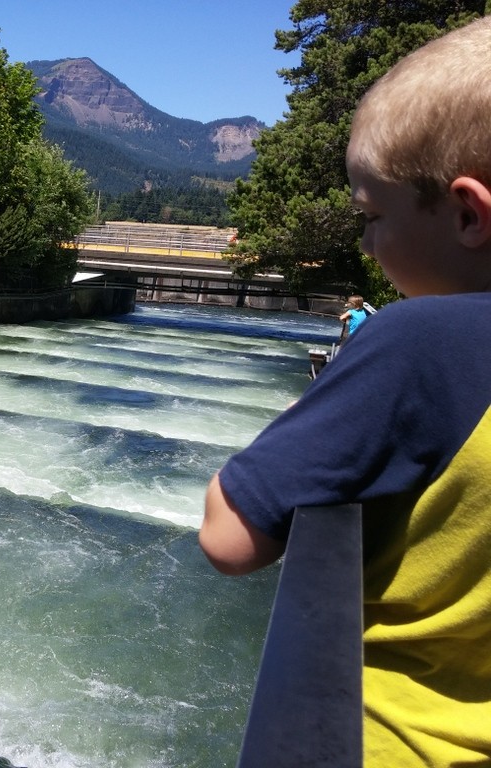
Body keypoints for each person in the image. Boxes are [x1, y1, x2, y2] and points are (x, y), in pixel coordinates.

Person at [199, 16, 491, 766]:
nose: (364, 245)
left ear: (467, 214)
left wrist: (310, 416)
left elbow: (229, 537)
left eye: (372, 218)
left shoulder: (420, 340)